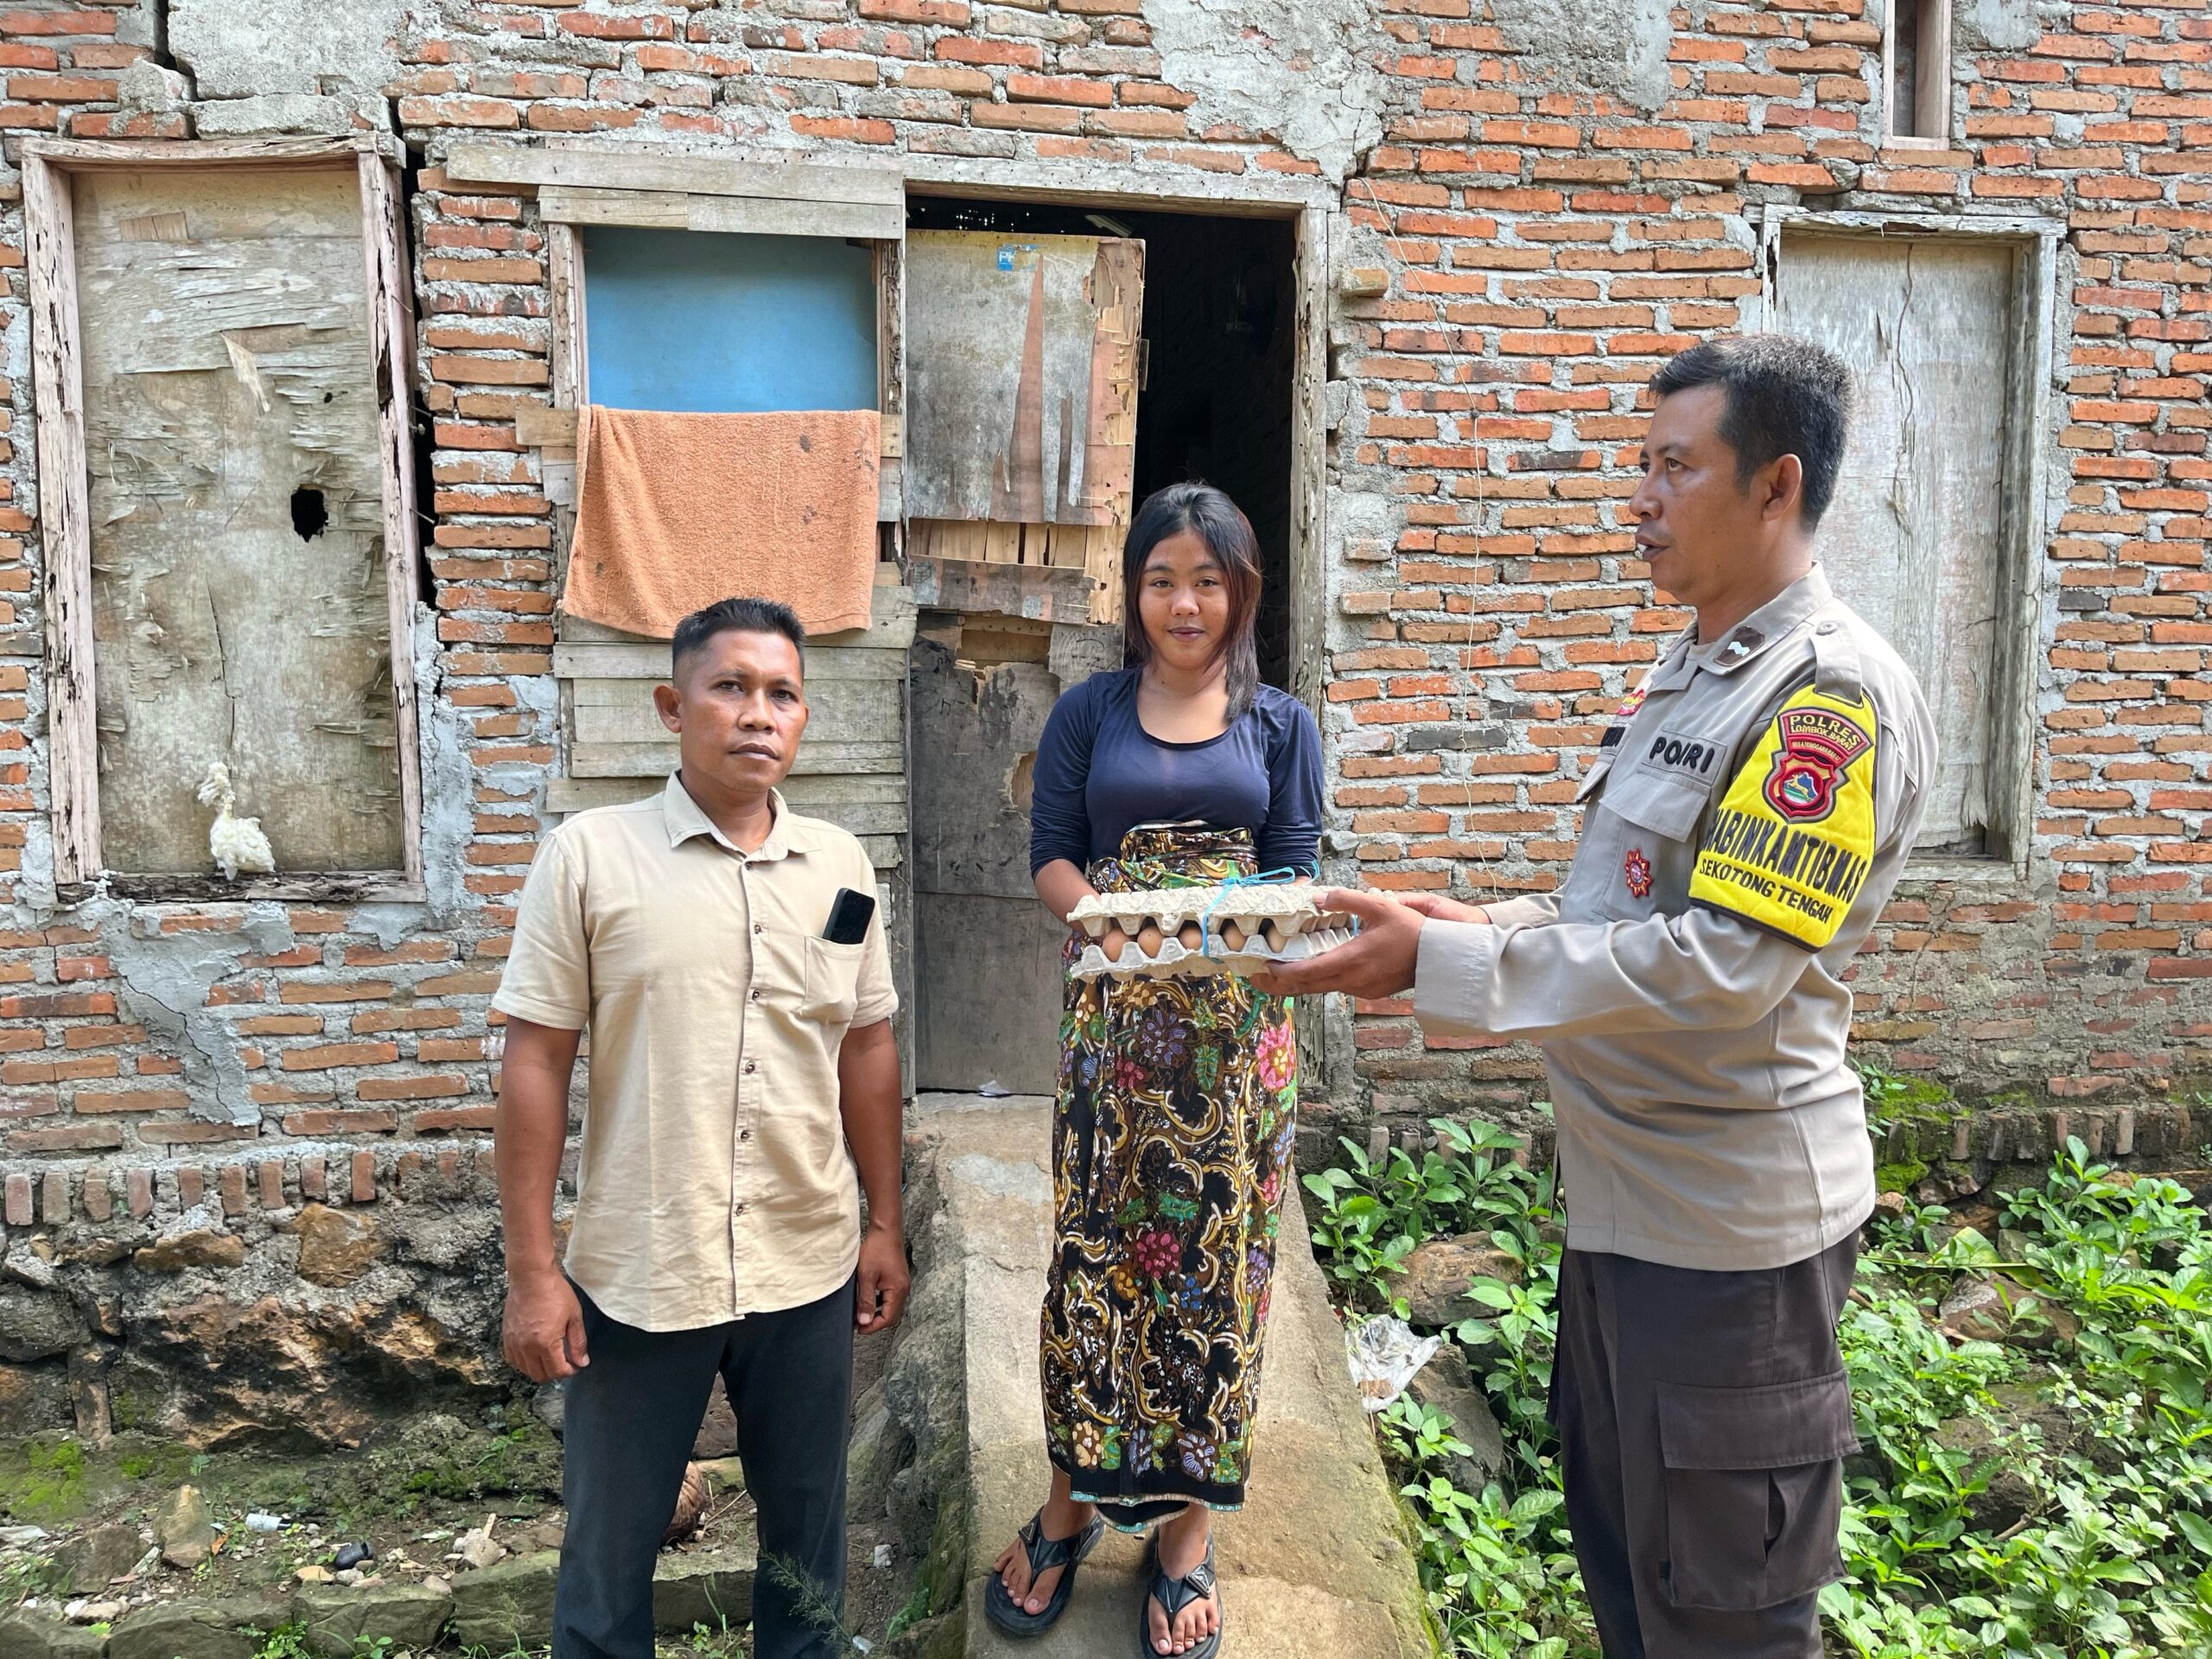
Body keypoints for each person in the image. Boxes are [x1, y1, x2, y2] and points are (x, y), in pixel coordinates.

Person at [1255, 335, 1937, 1659]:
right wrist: (1475, 925)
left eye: (1676, 467)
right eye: (1642, 464)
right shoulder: (1695, 669)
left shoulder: (1826, 697)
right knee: (1633, 1597)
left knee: (1724, 1626)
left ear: (1777, 486)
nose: (1641, 497)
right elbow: (1627, 921)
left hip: (1727, 1251)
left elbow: (1728, 968)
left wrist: (1448, 968)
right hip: (1626, 1217)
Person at [492, 595, 910, 1659]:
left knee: (805, 1550)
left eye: (782, 694)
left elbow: (866, 1048)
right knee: (606, 1560)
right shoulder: (590, 857)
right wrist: (533, 1273)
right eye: (730, 687)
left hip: (806, 1263)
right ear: (672, 707)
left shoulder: (842, 868)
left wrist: (884, 1223)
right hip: (643, 1271)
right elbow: (535, 1061)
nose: (758, 713)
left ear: (803, 718)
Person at [987, 482, 1323, 1659]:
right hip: (1115, 1042)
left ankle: (1184, 1535)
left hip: (1233, 1055)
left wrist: (1222, 934)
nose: (1184, 604)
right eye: (1162, 579)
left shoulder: (1279, 725)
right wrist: (1120, 930)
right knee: (1093, 1266)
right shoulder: (1091, 712)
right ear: (1133, 594)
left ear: (1242, 592)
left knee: (1215, 1282)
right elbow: (1053, 857)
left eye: (1208, 581)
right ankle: (1072, 1501)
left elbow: (1293, 871)